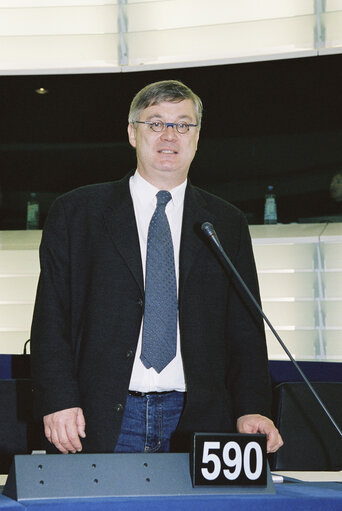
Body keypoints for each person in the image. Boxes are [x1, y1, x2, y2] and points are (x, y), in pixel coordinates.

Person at [30, 80, 283, 456]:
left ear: (197, 137)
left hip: (200, 420)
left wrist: (252, 407)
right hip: (97, 418)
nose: (170, 135)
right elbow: (51, 318)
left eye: (183, 124)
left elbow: (244, 327)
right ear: (132, 133)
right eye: (155, 123)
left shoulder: (226, 222)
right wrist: (57, 398)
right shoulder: (77, 212)